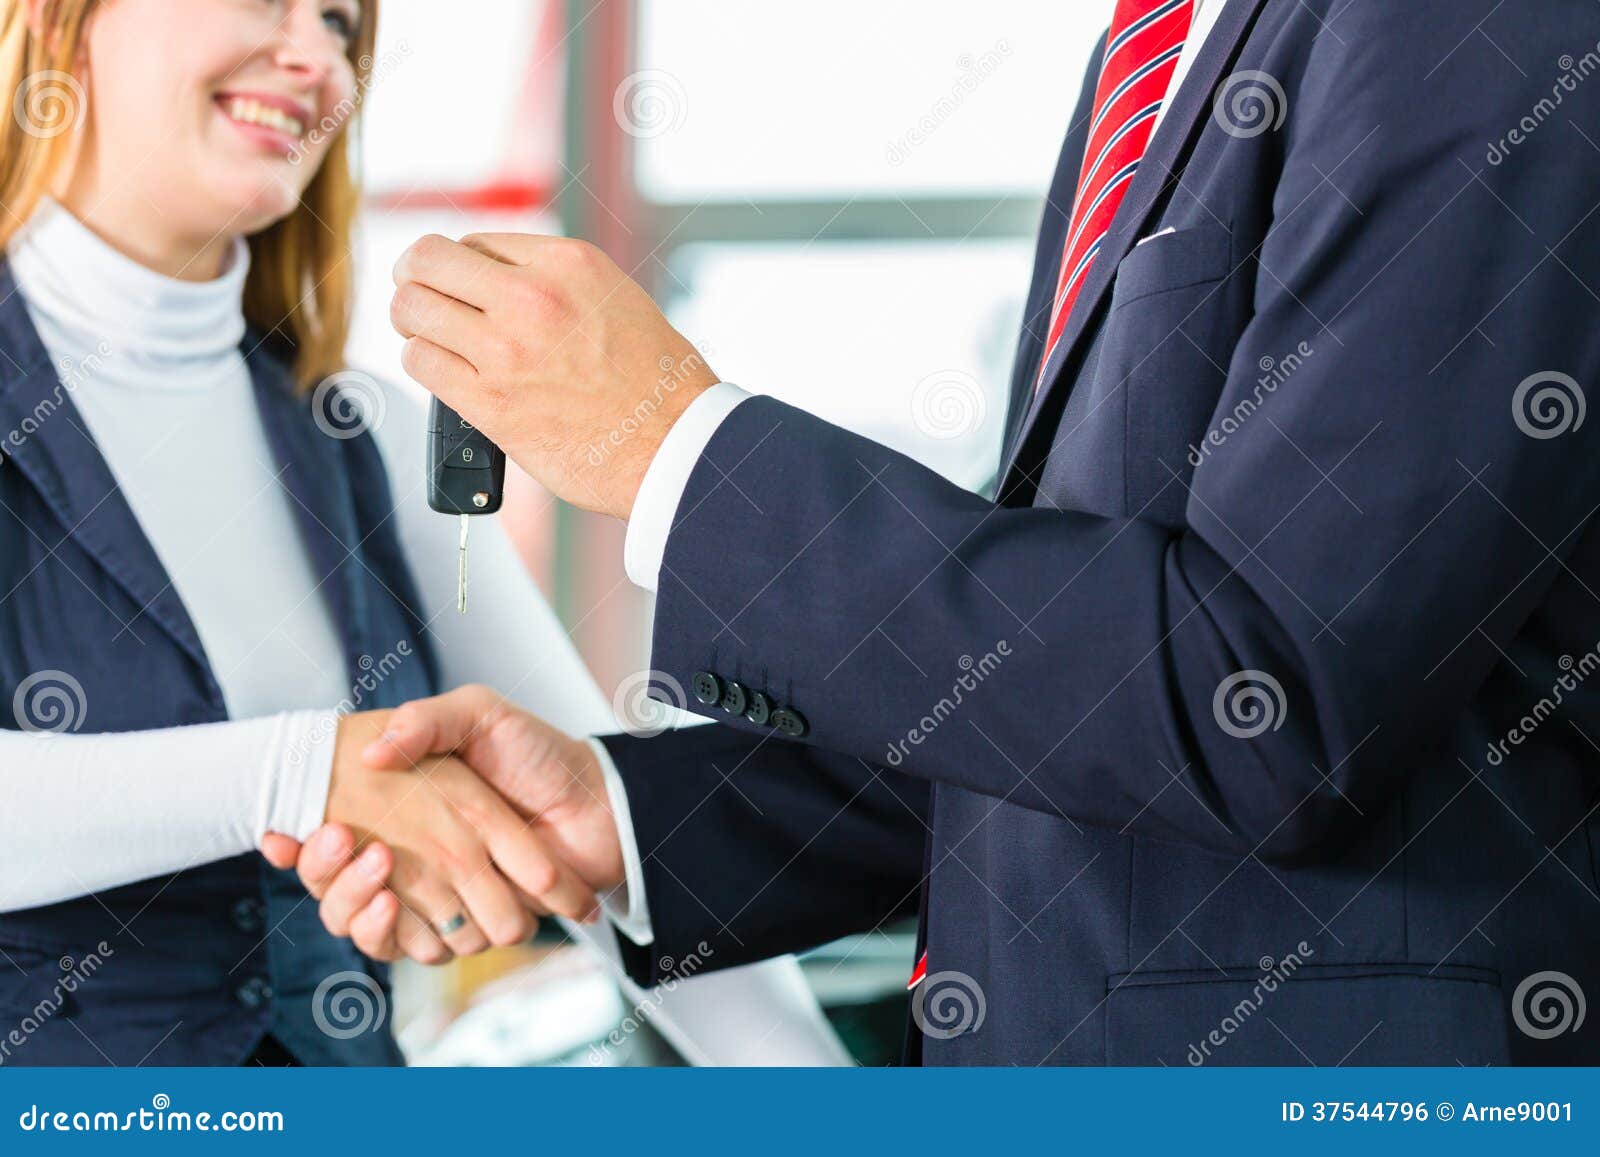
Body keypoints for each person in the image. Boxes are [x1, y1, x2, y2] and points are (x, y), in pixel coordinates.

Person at [292, 0, 1600, 1065]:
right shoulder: (1158, 57)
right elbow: (1066, 697)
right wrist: (632, 822)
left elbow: (1267, 702)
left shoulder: (1458, 26)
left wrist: (674, 449)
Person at [0, 0, 847, 1067]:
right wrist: (302, 770)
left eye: (340, 21)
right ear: (58, 20)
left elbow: (598, 829)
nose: (314, 54)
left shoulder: (363, 434)